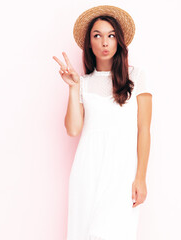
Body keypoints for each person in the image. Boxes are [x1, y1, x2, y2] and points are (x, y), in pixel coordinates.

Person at [53, 5, 152, 240]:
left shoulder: (136, 77)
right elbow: (73, 129)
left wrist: (141, 177)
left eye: (111, 35)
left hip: (122, 173)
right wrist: (74, 87)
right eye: (97, 35)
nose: (105, 42)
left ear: (119, 41)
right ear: (89, 44)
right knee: (86, 233)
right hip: (87, 171)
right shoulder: (84, 83)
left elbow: (144, 129)